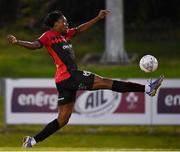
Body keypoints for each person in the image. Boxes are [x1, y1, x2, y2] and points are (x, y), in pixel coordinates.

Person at [7, 10, 164, 148]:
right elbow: (35, 45)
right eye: (64, 21)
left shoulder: (66, 34)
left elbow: (80, 29)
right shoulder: (48, 36)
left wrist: (97, 18)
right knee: (106, 82)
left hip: (63, 82)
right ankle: (147, 89)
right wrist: (18, 42)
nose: (67, 23)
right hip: (70, 76)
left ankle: (31, 142)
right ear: (55, 24)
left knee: (62, 120)